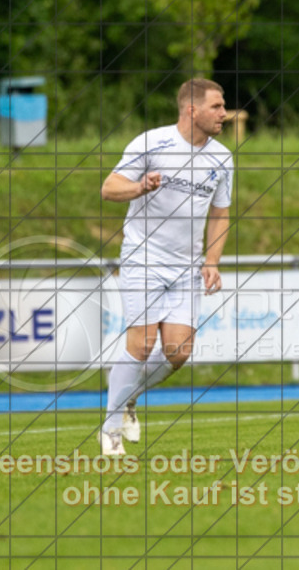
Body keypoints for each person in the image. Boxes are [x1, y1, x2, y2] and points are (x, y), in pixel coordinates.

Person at [98, 78, 232, 455]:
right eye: (217, 106)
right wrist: (140, 187)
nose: (224, 113)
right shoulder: (150, 143)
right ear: (192, 109)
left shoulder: (222, 158)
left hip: (186, 267)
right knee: (140, 347)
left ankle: (127, 397)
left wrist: (212, 261)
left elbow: (221, 214)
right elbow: (109, 188)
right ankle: (110, 431)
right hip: (142, 257)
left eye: (224, 106)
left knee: (178, 352)